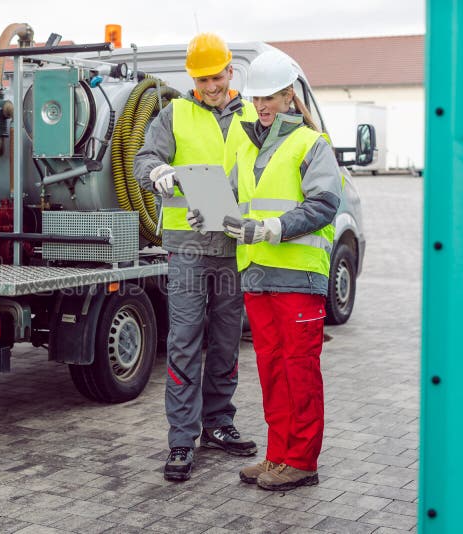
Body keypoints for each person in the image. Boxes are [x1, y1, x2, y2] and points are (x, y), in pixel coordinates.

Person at [134, 32, 258, 482]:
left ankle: (219, 424)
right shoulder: (174, 114)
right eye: (203, 78)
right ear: (194, 77)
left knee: (226, 341)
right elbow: (143, 159)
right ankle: (182, 441)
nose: (211, 85)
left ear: (231, 70)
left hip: (235, 246)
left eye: (218, 75)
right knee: (184, 343)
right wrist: (157, 172)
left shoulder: (252, 113)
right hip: (188, 248)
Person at [222, 47, 343, 491]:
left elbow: (326, 204)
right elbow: (240, 204)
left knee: (299, 371)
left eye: (270, 97)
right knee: (272, 369)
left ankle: (302, 462)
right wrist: (213, 214)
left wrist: (276, 227)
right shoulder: (251, 146)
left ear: (290, 96)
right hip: (257, 273)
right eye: (256, 99)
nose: (262, 106)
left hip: (297, 277)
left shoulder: (312, 144)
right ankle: (278, 456)